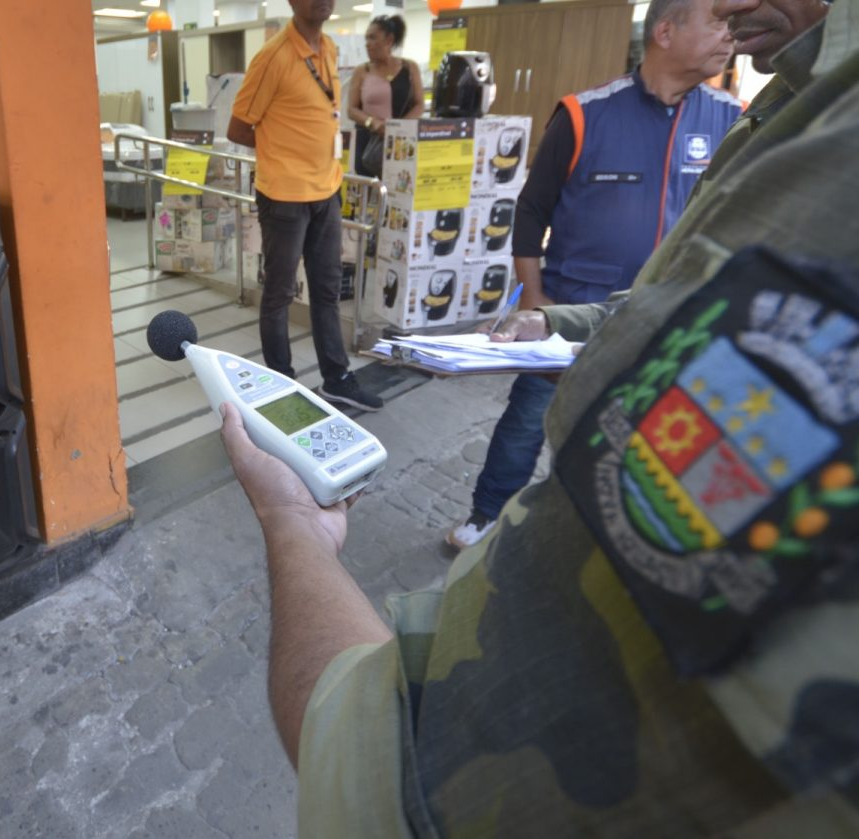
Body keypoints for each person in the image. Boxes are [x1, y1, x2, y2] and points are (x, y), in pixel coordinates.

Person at [220, 0, 859, 832]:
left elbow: (383, 778)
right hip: (319, 204)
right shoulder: (686, 110)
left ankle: (338, 376)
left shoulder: (786, 122)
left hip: (329, 193)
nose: (730, 18)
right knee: (482, 398)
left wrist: (291, 522)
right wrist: (550, 312)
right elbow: (662, 288)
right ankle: (476, 502)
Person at [447, 0, 741, 550]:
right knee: (527, 423)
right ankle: (486, 513)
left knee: (637, 435)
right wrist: (535, 299)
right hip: (568, 313)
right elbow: (531, 209)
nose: (731, 34)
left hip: (664, 318)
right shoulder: (586, 114)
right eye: (718, 21)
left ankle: (599, 536)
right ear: (666, 31)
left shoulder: (732, 120)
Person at [227, 0, 384, 412]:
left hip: (326, 191)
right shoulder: (274, 56)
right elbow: (238, 126)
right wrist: (286, 154)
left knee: (327, 291)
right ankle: (282, 385)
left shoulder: (329, 48)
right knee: (279, 293)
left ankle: (337, 378)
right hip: (283, 195)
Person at [347, 14, 425, 178]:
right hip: (368, 144)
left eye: (373, 38)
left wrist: (398, 128)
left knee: (398, 191)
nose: (367, 44)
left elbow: (419, 105)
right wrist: (373, 122)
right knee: (368, 194)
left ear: (389, 40)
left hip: (400, 144)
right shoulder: (362, 71)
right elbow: (351, 109)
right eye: (366, 39)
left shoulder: (410, 68)